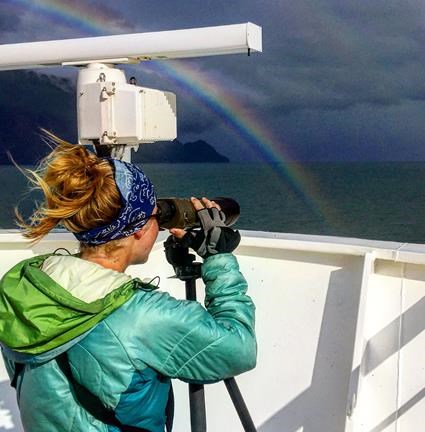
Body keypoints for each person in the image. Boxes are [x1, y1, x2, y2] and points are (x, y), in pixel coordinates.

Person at [0, 135, 256, 432]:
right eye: (154, 216)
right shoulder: (143, 316)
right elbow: (239, 349)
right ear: (137, 230)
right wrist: (219, 260)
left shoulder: (23, 284)